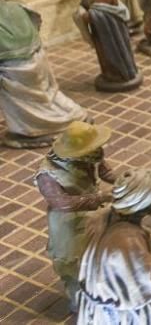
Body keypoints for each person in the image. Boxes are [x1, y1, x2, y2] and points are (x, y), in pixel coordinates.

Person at [76, 169, 151, 324]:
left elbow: (114, 253)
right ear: (142, 202)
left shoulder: (105, 217)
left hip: (97, 307)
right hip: (122, 315)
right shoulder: (127, 240)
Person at [34, 121, 116, 309]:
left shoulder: (91, 153)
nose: (96, 152)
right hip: (68, 222)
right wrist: (99, 197)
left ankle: (100, 290)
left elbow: (106, 171)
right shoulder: (48, 173)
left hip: (95, 213)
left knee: (100, 252)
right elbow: (61, 203)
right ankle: (79, 300)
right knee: (72, 262)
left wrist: (124, 180)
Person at [0, 0, 88, 148]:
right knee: (47, 96)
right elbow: (36, 20)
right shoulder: (14, 6)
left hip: (16, 69)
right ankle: (71, 114)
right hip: (36, 57)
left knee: (33, 105)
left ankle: (40, 127)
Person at [74, 0, 143, 92]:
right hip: (101, 32)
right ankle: (110, 74)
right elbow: (87, 3)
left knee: (113, 54)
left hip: (111, 34)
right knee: (104, 55)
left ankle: (120, 75)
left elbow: (105, 14)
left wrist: (88, 16)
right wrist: (82, 9)